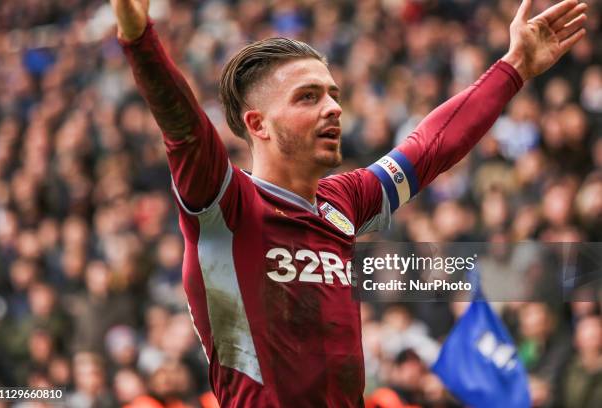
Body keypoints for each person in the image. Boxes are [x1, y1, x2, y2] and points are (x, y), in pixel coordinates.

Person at [109, 0, 587, 405]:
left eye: (333, 94)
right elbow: (183, 127)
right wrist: (138, 37)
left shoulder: (344, 200)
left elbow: (431, 146)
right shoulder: (225, 207)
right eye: (308, 97)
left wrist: (515, 67)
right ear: (258, 125)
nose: (333, 107)